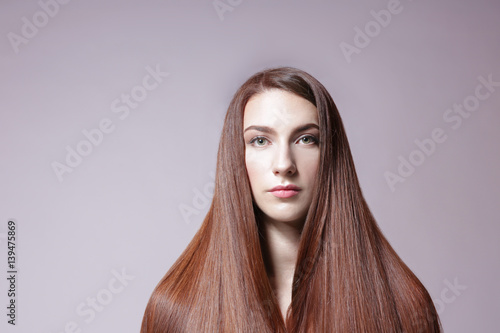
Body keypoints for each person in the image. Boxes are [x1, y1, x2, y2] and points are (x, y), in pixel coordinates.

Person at [140, 66, 442, 332]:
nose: (284, 163)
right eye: (260, 140)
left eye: (306, 139)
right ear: (236, 156)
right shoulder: (176, 311)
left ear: (331, 156)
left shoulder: (403, 306)